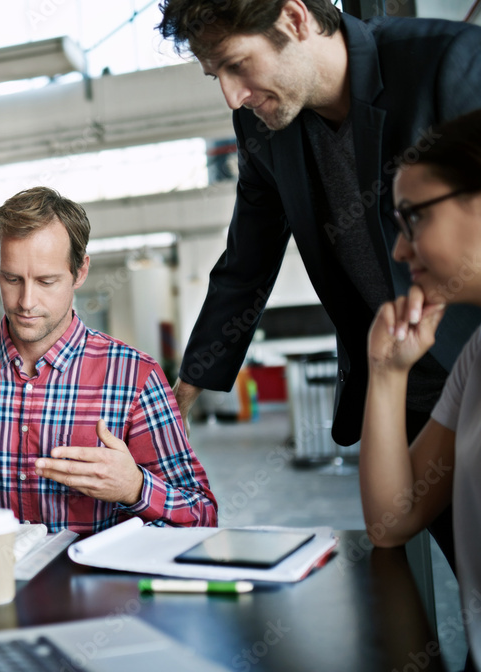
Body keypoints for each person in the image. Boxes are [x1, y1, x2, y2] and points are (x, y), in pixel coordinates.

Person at [158, 0, 481, 561]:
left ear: (294, 19)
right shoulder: (262, 125)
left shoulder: (446, 63)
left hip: (469, 356)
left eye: (237, 64)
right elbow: (247, 257)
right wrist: (186, 387)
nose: (232, 95)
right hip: (406, 388)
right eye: (217, 77)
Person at [0, 187, 216, 533]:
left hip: (96, 583)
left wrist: (136, 489)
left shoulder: (135, 377)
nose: (26, 301)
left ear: (80, 272)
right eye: (11, 279)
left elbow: (202, 516)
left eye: (46, 281)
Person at [360, 110, 481, 670]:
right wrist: (387, 374)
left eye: (413, 220)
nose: (401, 251)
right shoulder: (476, 357)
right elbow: (392, 521)